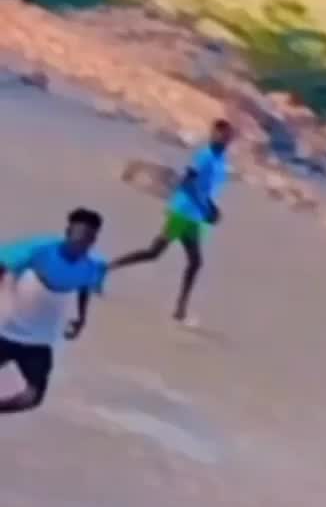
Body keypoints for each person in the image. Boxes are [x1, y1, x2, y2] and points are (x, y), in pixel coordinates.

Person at [112, 118, 234, 325]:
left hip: (196, 217)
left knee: (194, 262)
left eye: (226, 136)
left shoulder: (221, 160)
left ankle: (180, 308)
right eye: (218, 134)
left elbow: (207, 189)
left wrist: (212, 209)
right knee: (154, 253)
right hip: (183, 212)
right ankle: (106, 269)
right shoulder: (205, 156)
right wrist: (206, 208)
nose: (222, 139)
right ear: (213, 134)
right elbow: (187, 182)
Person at [0, 209, 107, 414]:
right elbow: (3, 264)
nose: (81, 244)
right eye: (78, 237)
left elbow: (85, 288)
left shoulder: (95, 266)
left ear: (93, 240)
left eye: (88, 239)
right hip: (6, 332)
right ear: (68, 232)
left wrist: (81, 318)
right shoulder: (38, 250)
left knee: (33, 397)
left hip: (39, 341)